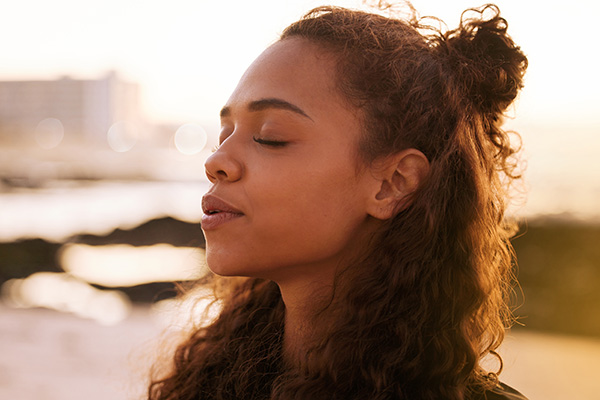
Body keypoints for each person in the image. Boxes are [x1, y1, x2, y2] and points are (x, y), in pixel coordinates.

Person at [149, 3, 528, 399]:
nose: (215, 162)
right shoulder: (209, 382)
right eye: (225, 133)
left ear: (393, 184)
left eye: (270, 136)